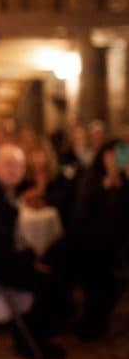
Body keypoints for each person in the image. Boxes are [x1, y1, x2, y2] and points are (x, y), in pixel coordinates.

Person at [0, 144, 67, 359]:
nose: (15, 170)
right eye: (9, 164)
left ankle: (33, 336)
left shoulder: (1, 193)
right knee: (51, 279)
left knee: (57, 264)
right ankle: (31, 342)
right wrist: (31, 262)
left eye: (19, 166)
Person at [71, 140, 129, 340]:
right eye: (109, 155)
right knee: (97, 284)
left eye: (120, 155)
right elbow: (83, 207)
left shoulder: (126, 180)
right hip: (93, 243)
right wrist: (106, 183)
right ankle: (90, 325)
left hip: (119, 244)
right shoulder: (92, 177)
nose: (114, 160)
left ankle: (99, 321)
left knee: (114, 284)